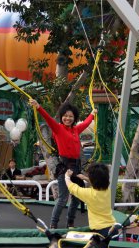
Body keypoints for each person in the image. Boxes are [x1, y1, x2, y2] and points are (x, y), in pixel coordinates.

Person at [29, 98, 97, 229]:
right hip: (65, 168)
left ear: (74, 118)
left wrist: (93, 114)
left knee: (77, 198)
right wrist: (38, 107)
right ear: (62, 117)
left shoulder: (76, 130)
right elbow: (48, 118)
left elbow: (88, 121)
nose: (68, 118)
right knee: (63, 198)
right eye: (65, 116)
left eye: (71, 116)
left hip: (76, 167)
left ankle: (70, 222)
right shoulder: (58, 128)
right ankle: (53, 224)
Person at [64, 162, 116, 237]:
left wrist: (67, 177)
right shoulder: (107, 190)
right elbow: (99, 183)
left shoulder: (89, 194)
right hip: (113, 228)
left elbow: (73, 188)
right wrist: (85, 178)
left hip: (100, 232)